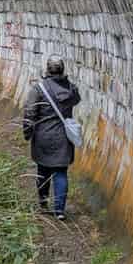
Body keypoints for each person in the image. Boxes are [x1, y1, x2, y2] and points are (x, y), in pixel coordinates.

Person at [22, 55, 81, 220]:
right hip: (63, 137)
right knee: (61, 172)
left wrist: (27, 132)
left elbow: (30, 112)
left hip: (43, 136)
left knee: (43, 170)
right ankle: (59, 210)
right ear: (62, 69)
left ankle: (43, 202)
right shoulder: (71, 88)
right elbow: (77, 99)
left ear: (47, 69)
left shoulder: (38, 89)